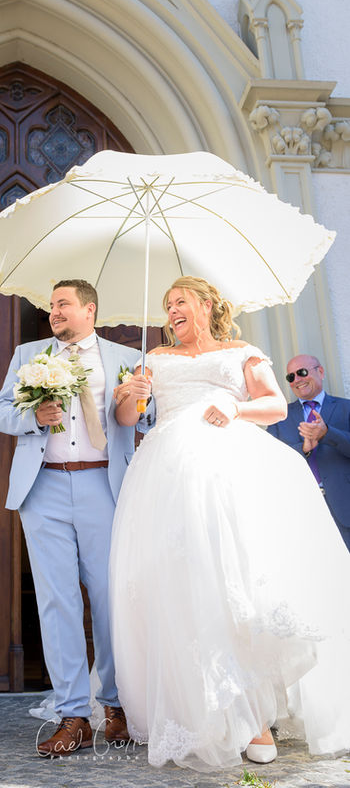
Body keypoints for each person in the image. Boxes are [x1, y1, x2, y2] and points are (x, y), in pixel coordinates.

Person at [109, 276, 350, 771]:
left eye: (181, 302)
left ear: (208, 304)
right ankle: (202, 713)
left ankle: (257, 715)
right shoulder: (153, 360)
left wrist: (235, 407)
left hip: (232, 468)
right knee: (183, 584)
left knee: (238, 577)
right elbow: (130, 418)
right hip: (168, 476)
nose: (172, 311)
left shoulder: (242, 350)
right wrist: (130, 394)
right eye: (167, 305)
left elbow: (275, 405)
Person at [0, 279, 152, 757]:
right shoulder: (28, 354)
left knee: (110, 598)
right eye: (51, 306)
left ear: (90, 309)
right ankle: (72, 715)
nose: (54, 312)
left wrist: (142, 397)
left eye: (63, 304)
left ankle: (115, 706)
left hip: (103, 487)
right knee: (55, 600)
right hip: (41, 486)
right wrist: (34, 417)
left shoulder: (126, 358)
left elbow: (144, 421)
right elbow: (4, 410)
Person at [267, 354, 350, 552]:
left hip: (345, 507)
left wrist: (328, 433)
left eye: (302, 372)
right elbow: (270, 462)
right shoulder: (280, 417)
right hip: (302, 511)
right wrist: (303, 449)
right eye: (291, 377)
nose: (297, 380)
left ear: (320, 372)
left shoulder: (346, 408)